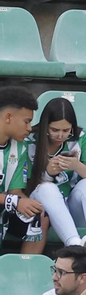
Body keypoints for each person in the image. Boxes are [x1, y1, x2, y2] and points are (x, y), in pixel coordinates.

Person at [25, 97, 86, 261]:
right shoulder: (30, 140)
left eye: (66, 131)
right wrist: (47, 173)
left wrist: (77, 166)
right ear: (45, 126)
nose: (60, 135)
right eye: (54, 130)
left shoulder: (81, 137)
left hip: (70, 205)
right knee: (48, 188)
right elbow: (22, 187)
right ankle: (75, 244)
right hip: (42, 207)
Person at [0, 87, 45, 255]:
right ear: (8, 117)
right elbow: (13, 197)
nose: (29, 128)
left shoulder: (20, 147)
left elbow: (15, 191)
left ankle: (27, 274)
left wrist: (29, 204)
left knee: (39, 216)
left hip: (3, 208)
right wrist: (14, 201)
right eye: (26, 121)